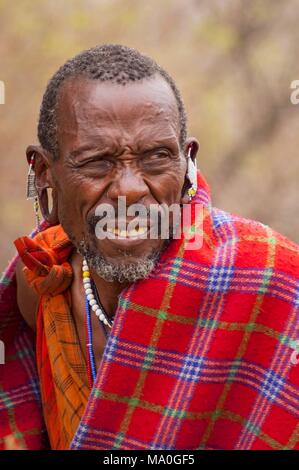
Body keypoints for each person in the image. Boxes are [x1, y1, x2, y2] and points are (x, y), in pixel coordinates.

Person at [0, 44, 298, 451]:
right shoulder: (41, 282)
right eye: (97, 162)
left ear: (187, 160)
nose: (130, 189)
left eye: (157, 157)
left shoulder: (270, 279)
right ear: (43, 172)